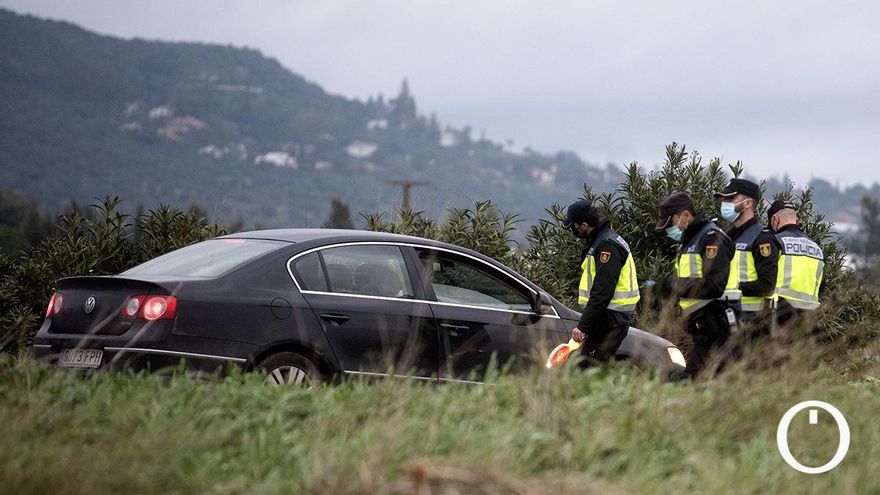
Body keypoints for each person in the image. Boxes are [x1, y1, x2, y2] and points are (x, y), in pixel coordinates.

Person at [651, 192, 735, 378]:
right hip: (701, 324)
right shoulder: (691, 240)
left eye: (670, 223)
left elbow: (713, 284)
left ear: (686, 215)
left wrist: (669, 286)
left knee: (693, 380)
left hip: (715, 323)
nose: (669, 230)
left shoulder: (711, 238)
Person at [563, 199, 640, 363]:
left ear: (583, 225)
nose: (574, 231)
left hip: (611, 319)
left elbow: (602, 291)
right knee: (592, 370)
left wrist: (582, 326)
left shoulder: (607, 245)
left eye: (574, 227)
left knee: (589, 370)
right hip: (605, 318)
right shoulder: (600, 241)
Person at [714, 179, 779, 330]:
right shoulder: (728, 236)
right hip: (727, 319)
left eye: (730, 198)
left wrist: (734, 288)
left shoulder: (762, 238)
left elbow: (767, 285)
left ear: (748, 203)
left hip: (751, 323)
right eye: (724, 199)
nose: (724, 203)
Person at [766, 200, 825, 330]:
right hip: (810, 321)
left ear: (775, 220)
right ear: (797, 220)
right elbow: (821, 287)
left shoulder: (776, 242)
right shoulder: (817, 249)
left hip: (778, 317)